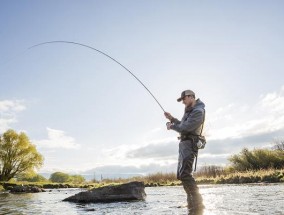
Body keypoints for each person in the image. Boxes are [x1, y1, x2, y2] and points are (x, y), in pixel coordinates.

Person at [164, 89, 205, 213]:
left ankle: (198, 204)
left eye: (184, 99)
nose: (183, 102)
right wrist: (172, 119)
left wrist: (172, 126)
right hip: (184, 145)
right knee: (182, 175)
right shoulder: (190, 111)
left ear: (191, 97)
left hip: (189, 144)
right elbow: (182, 124)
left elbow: (185, 128)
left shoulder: (198, 111)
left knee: (185, 174)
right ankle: (191, 203)